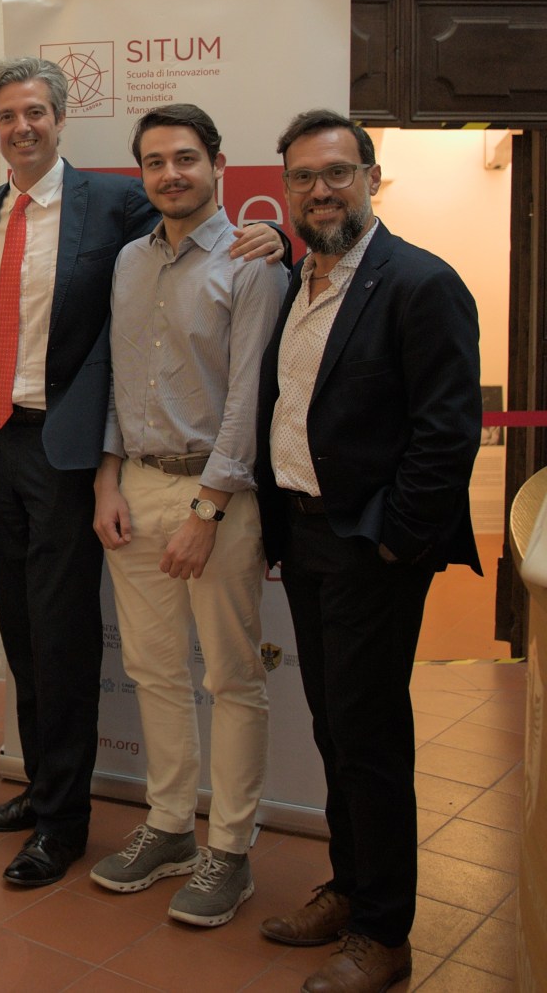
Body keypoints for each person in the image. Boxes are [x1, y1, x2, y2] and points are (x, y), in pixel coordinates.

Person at [0, 57, 284, 888]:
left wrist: (281, 238)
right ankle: (41, 787)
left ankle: (64, 823)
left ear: (61, 118)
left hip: (65, 449)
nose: (21, 127)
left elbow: (201, 228)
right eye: (5, 115)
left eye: (35, 111)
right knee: (22, 630)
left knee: (63, 636)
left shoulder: (115, 204)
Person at [255, 109, 481, 993]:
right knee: (333, 727)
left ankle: (385, 933)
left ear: (371, 179)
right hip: (306, 536)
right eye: (303, 177)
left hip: (370, 546)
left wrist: (396, 543)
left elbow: (446, 431)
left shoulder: (421, 283)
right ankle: (350, 888)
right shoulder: (297, 281)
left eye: (337, 173)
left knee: (371, 738)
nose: (321, 190)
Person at [88, 105, 286, 925]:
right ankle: (170, 826)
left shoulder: (252, 262)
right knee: (154, 671)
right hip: (134, 489)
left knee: (232, 679)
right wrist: (107, 481)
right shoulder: (130, 261)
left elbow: (248, 396)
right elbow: (118, 377)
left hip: (218, 496)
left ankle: (229, 851)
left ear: (218, 165)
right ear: (141, 173)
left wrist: (208, 507)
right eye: (155, 162)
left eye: (186, 159)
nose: (170, 174)